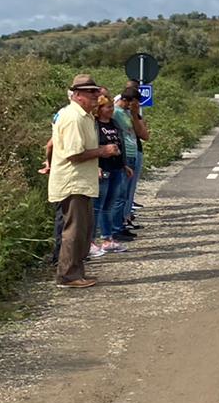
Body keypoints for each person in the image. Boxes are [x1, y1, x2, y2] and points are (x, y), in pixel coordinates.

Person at [49, 74, 119, 287]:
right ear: (78, 95)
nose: (96, 96)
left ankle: (76, 273)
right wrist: (103, 151)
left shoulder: (84, 116)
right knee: (74, 230)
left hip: (82, 181)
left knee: (83, 231)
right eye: (91, 92)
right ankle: (67, 275)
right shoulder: (74, 118)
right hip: (73, 182)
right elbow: (73, 153)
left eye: (96, 91)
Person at [91, 91, 130, 254]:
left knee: (109, 205)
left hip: (116, 168)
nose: (111, 110)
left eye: (111, 106)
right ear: (99, 109)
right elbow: (92, 147)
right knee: (97, 206)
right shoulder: (95, 125)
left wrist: (124, 164)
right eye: (107, 107)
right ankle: (91, 241)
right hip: (103, 168)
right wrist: (96, 166)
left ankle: (108, 239)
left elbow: (121, 145)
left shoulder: (114, 124)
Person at [112, 87, 146, 238]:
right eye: (135, 103)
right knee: (120, 194)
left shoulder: (127, 113)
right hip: (125, 155)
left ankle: (121, 223)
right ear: (128, 101)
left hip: (132, 154)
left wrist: (134, 113)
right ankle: (116, 227)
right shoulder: (116, 112)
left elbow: (143, 133)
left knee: (125, 194)